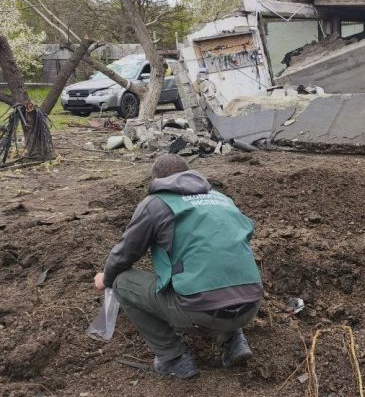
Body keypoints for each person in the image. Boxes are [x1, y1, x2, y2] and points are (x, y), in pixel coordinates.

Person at [93, 154, 262, 379]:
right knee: (218, 270)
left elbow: (124, 254)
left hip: (200, 312)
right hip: (251, 305)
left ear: (157, 180)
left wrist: (105, 278)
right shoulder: (222, 199)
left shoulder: (156, 204)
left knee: (121, 281)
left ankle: (173, 358)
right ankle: (234, 341)